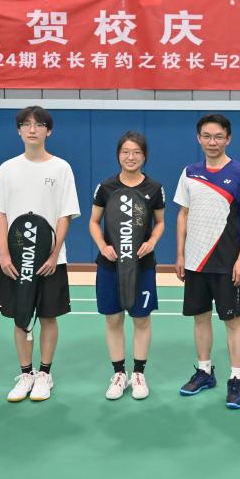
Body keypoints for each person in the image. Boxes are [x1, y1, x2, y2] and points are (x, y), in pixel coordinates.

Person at [0, 106, 81, 403]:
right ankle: (26, 373)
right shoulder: (6, 169)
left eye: (39, 125)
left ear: (48, 131)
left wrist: (54, 254)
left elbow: (66, 214)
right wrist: (4, 255)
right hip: (15, 261)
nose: (32, 129)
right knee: (20, 318)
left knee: (48, 317)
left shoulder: (61, 168)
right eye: (26, 125)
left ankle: (44, 374)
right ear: (18, 131)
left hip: (50, 261)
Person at [175, 113, 240, 409]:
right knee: (200, 317)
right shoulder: (190, 172)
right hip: (196, 261)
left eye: (218, 136)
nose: (212, 142)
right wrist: (181, 253)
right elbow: (183, 214)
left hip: (226, 262)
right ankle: (204, 371)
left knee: (232, 321)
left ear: (228, 139)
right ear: (199, 138)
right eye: (207, 136)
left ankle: (236, 379)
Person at [88, 131, 166, 401]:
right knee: (113, 318)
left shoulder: (154, 188)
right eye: (125, 152)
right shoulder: (105, 187)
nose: (130, 157)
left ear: (144, 156)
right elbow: (93, 222)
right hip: (110, 265)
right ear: (118, 155)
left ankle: (139, 374)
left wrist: (152, 242)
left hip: (142, 266)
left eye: (136, 152)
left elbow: (160, 223)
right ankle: (119, 373)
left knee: (141, 319)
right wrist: (102, 246)